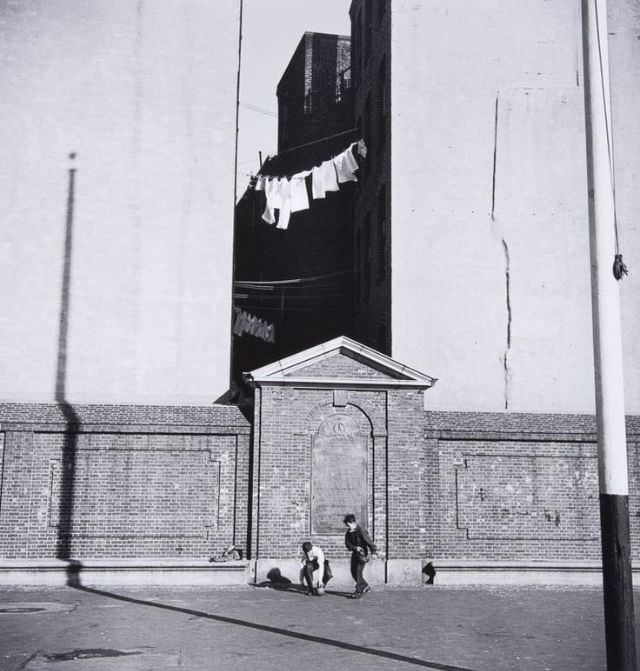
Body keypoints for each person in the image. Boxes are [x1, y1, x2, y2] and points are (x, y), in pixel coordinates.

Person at [344, 513, 377, 598]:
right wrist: (355, 548)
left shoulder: (361, 530)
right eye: (347, 525)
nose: (349, 526)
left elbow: (369, 542)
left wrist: (373, 552)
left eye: (349, 524)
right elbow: (347, 544)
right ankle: (365, 585)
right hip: (355, 553)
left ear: (353, 522)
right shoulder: (348, 532)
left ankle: (358, 592)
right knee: (353, 572)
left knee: (358, 572)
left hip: (362, 553)